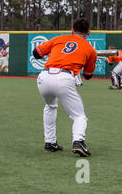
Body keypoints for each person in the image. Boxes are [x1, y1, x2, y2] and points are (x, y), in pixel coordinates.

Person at [33, 18, 97, 157]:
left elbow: (36, 53)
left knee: (50, 106)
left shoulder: (59, 39)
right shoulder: (90, 49)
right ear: (89, 32)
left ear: (72, 30)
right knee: (79, 115)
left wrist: (54, 52)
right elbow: (88, 75)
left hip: (44, 76)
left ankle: (50, 143)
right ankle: (78, 141)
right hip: (64, 78)